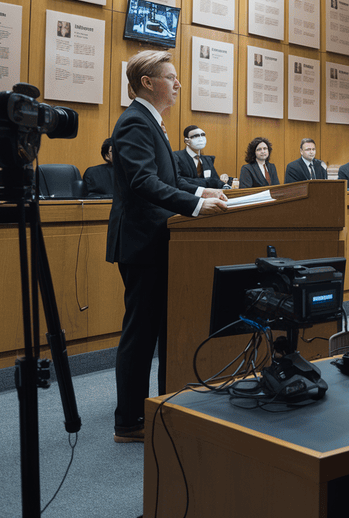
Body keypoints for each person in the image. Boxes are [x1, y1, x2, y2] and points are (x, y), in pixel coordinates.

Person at [107, 50, 228, 444]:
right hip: (143, 244)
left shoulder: (152, 123)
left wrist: (201, 188)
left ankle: (158, 405)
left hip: (159, 241)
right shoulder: (134, 123)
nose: (178, 85)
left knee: (160, 331)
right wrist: (195, 205)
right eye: (171, 77)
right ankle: (128, 421)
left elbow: (170, 177)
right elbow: (144, 182)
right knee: (140, 335)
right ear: (148, 82)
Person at [173, 124, 229, 189]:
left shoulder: (207, 160)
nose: (201, 138)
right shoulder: (177, 157)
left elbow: (215, 181)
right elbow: (178, 180)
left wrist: (223, 179)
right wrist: (207, 182)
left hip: (208, 196)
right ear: (187, 141)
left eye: (203, 135)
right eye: (196, 136)